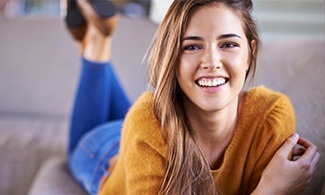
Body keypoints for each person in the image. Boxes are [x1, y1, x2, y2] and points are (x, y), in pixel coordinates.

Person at [65, 0, 320, 194]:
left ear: (250, 54)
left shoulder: (271, 116)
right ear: (173, 59)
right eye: (192, 46)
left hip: (147, 132)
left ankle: (92, 39)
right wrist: (269, 191)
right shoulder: (145, 122)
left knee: (141, 116)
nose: (211, 62)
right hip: (103, 155)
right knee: (76, 148)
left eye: (228, 44)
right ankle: (98, 41)